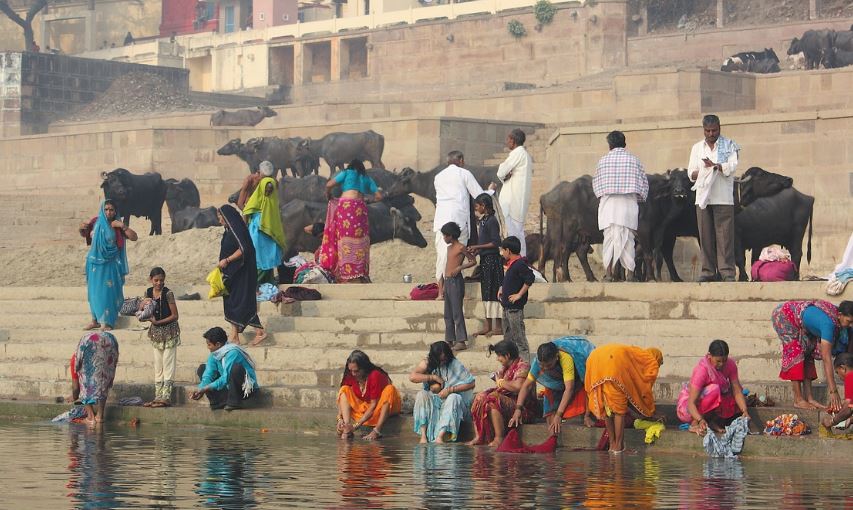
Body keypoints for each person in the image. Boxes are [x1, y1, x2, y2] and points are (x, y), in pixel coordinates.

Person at [433, 150, 496, 299]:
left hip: (441, 221)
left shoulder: (438, 177)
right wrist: (491, 191)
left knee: (442, 256)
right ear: (460, 160)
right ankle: (453, 290)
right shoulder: (464, 173)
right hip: (458, 220)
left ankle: (441, 292)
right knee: (457, 254)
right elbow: (479, 196)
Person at [771, 299, 853, 410]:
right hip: (785, 316)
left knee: (809, 351)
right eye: (849, 321)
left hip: (803, 324)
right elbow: (826, 358)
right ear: (839, 315)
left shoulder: (837, 320)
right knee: (796, 352)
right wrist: (833, 391)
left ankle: (809, 398)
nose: (849, 325)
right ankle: (798, 399)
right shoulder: (828, 324)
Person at [688, 114, 739, 282]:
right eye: (707, 131)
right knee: (706, 237)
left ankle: (727, 272)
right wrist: (704, 170)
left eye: (714, 130)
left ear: (719, 128)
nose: (711, 134)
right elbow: (691, 173)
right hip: (703, 199)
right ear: (703, 130)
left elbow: (732, 167)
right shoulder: (697, 148)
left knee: (725, 238)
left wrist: (716, 166)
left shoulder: (729, 145)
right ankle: (708, 272)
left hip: (723, 198)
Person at [592, 130, 649, 281]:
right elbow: (644, 184)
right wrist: (639, 198)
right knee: (628, 238)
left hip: (609, 205)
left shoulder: (603, 161)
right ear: (625, 144)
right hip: (628, 204)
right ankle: (630, 275)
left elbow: (596, 185)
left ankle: (609, 274)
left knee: (609, 238)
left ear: (609, 145)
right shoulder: (634, 160)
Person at [585, 344, 663, 453]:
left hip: (595, 359)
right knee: (619, 410)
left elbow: (632, 394)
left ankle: (612, 445)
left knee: (606, 407)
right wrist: (651, 413)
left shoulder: (636, 354)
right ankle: (618, 446)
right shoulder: (650, 361)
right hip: (612, 362)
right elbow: (643, 393)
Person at [509, 337, 595, 435]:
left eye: (548, 365)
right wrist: (518, 409)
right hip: (556, 381)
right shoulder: (538, 361)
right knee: (550, 419)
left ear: (556, 357)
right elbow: (526, 386)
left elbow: (569, 389)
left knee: (585, 387)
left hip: (578, 375)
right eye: (542, 366)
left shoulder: (565, 358)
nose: (545, 368)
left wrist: (559, 415)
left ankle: (587, 416)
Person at [318, 159, 382, 283]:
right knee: (360, 240)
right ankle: (359, 272)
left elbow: (328, 184)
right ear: (362, 168)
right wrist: (368, 200)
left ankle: (346, 272)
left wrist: (328, 195)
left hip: (346, 207)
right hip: (359, 209)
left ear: (351, 166)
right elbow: (379, 196)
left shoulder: (346, 173)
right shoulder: (366, 177)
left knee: (344, 238)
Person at [79, 200, 138, 331]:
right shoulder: (96, 222)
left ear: (115, 211)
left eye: (111, 209)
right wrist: (82, 227)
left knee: (108, 293)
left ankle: (108, 323)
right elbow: (85, 233)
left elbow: (134, 237)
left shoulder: (117, 225)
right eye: (106, 209)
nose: (108, 212)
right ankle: (95, 320)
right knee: (93, 293)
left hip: (110, 264)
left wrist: (122, 226)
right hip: (94, 263)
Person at [467, 340, 533, 446]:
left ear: (507, 355)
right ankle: (479, 436)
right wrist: (499, 381)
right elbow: (501, 384)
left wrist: (501, 382)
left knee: (493, 398)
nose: (498, 359)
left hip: (521, 408)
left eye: (499, 356)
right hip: (505, 403)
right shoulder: (505, 368)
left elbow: (518, 386)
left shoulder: (523, 366)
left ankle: (499, 438)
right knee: (480, 397)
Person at [217, 204, 267, 345]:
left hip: (242, 274)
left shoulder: (237, 231)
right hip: (232, 274)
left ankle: (260, 332)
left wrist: (227, 260)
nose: (219, 219)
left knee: (240, 303)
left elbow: (245, 248)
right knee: (231, 302)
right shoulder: (228, 231)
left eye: (220, 216)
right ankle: (235, 337)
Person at [677, 340, 750, 435]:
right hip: (687, 410)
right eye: (718, 361)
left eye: (724, 360)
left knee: (737, 397)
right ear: (709, 356)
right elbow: (691, 403)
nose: (721, 364)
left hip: (706, 407)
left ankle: (709, 422)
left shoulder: (730, 365)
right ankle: (694, 424)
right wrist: (700, 419)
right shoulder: (702, 370)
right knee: (714, 390)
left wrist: (744, 411)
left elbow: (737, 390)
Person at [409, 341, 476, 443]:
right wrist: (433, 377)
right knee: (421, 394)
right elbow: (412, 377)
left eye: (444, 359)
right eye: (439, 360)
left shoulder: (455, 364)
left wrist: (450, 390)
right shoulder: (427, 362)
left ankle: (440, 436)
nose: (442, 362)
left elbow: (471, 384)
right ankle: (423, 436)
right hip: (435, 400)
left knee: (454, 397)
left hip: (453, 402)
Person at [336, 350, 402, 441]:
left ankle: (377, 430)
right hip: (365, 409)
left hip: (383, 408)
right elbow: (342, 395)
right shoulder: (350, 373)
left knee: (390, 389)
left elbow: (374, 405)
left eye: (356, 371)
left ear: (364, 368)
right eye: (351, 370)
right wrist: (340, 419)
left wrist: (356, 426)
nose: (353, 374)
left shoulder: (375, 375)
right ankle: (347, 428)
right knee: (344, 389)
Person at [140, 267, 181, 408]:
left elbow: (175, 316)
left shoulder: (168, 293)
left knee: (168, 364)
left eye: (161, 280)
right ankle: (158, 396)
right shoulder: (148, 292)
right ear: (150, 280)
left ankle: (166, 397)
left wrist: (157, 322)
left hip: (169, 331)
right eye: (156, 280)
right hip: (156, 334)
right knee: (158, 365)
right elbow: (144, 310)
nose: (159, 283)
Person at [191, 326, 259, 410]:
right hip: (227, 387)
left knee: (236, 369)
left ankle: (234, 402)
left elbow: (226, 377)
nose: (208, 347)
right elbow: (208, 374)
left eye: (209, 345)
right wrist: (201, 389)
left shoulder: (233, 352)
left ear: (218, 344)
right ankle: (217, 402)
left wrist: (207, 388)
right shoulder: (215, 354)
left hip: (245, 390)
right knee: (202, 368)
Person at [242, 161, 285, 285]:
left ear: (260, 173)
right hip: (264, 226)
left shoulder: (265, 182)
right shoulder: (258, 187)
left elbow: (246, 208)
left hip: (261, 227)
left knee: (263, 259)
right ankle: (266, 285)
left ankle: (256, 286)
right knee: (265, 259)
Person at [467, 193, 503, 337]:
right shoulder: (483, 221)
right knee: (486, 292)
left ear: (484, 206)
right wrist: (475, 250)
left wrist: (478, 246)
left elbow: (495, 243)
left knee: (495, 292)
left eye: (477, 206)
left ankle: (498, 326)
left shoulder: (492, 221)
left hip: (493, 261)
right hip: (485, 261)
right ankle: (488, 325)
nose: (476, 208)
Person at [496, 129, 533, 257]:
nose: (507, 142)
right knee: (518, 232)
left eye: (508, 139)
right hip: (518, 200)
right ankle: (520, 259)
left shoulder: (517, 153)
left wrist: (504, 174)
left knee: (513, 233)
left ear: (513, 140)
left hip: (512, 201)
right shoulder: (525, 155)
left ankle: (516, 260)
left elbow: (501, 172)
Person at [497, 236, 534, 360]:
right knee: (508, 338)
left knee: (519, 338)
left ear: (508, 250)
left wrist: (519, 294)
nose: (502, 253)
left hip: (515, 309)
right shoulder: (511, 265)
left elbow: (530, 278)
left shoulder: (520, 264)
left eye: (503, 250)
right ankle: (511, 363)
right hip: (506, 307)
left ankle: (525, 364)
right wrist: (502, 288)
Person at [442, 221, 476, 351]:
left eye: (445, 236)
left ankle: (461, 340)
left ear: (451, 235)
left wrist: (460, 267)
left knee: (457, 312)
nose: (444, 238)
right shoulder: (449, 248)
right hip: (448, 281)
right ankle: (450, 339)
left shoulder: (461, 247)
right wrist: (444, 284)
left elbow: (472, 261)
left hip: (456, 281)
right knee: (447, 313)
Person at [74, 331, 120, 425]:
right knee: (103, 387)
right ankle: (100, 415)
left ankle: (90, 417)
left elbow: (78, 357)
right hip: (106, 365)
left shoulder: (85, 340)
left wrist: (76, 367)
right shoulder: (111, 338)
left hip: (90, 367)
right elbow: (116, 354)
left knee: (85, 388)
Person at [821, 353, 853, 431]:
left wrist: (832, 421)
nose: (838, 376)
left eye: (837, 372)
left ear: (843, 368)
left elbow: (847, 410)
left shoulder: (850, 377)